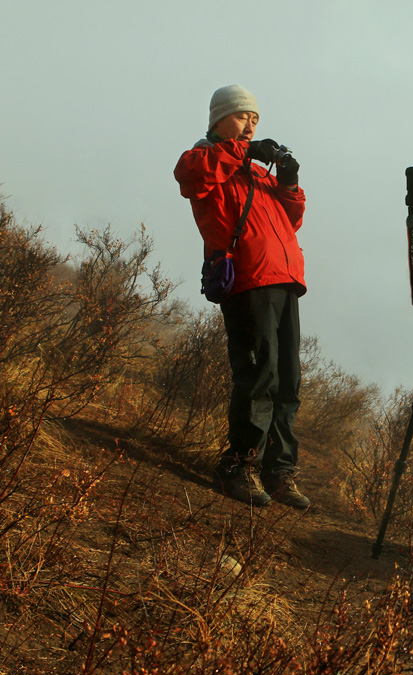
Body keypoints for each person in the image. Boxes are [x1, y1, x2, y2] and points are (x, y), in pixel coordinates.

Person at [173, 84, 310, 509]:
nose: (250, 125)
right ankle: (240, 465)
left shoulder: (256, 173)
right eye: (242, 116)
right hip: (247, 279)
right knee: (259, 375)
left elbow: (290, 222)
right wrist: (241, 152)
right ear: (218, 120)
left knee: (288, 381)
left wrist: (288, 185)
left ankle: (280, 472)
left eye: (255, 119)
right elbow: (190, 178)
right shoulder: (204, 158)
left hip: (284, 279)